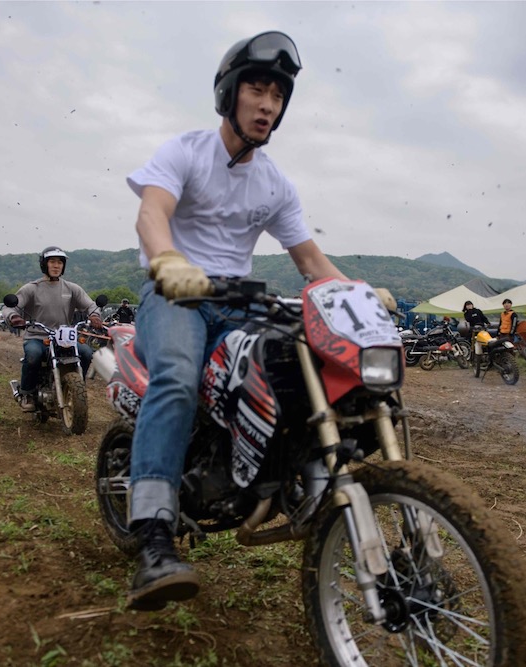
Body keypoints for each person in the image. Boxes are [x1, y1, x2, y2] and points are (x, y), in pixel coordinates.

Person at [121, 31, 395, 612]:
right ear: (229, 92)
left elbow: (310, 262)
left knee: (295, 372)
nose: (268, 103)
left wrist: (358, 295)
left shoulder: (274, 183)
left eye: (277, 94)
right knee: (174, 374)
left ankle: (277, 479)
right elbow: (153, 211)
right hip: (176, 299)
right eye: (257, 88)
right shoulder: (186, 152)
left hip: (241, 306)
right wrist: (168, 261)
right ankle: (151, 536)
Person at [1, 246, 103, 412]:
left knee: (86, 352)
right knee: (33, 355)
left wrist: (95, 316)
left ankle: (77, 387)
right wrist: (14, 317)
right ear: (44, 264)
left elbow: (91, 305)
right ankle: (27, 393)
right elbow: (9, 307)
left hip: (64, 338)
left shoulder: (72, 289)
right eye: (52, 262)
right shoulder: (32, 288)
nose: (56, 266)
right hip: (37, 336)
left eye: (59, 263)